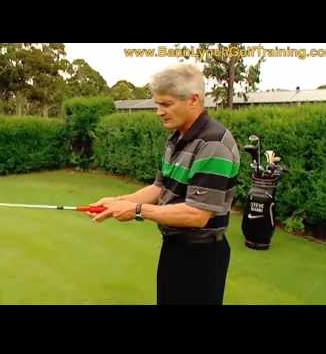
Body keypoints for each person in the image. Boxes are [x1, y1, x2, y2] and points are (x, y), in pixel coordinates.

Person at [87, 63, 240, 305]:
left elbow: (197, 214)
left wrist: (136, 211)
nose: (159, 111)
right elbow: (160, 188)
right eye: (158, 104)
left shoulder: (213, 143)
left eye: (166, 104)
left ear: (193, 100)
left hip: (201, 257)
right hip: (174, 248)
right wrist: (118, 202)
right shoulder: (176, 137)